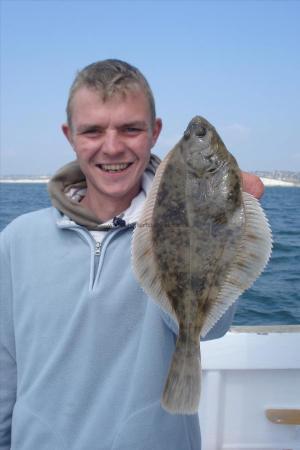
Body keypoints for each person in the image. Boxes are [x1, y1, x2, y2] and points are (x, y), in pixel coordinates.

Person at [0, 59, 264, 450]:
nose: (112, 146)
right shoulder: (17, 240)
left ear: (155, 132)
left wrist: (223, 219)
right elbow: (5, 364)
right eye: (92, 131)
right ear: (69, 135)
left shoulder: (178, 224)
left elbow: (215, 325)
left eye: (130, 128)